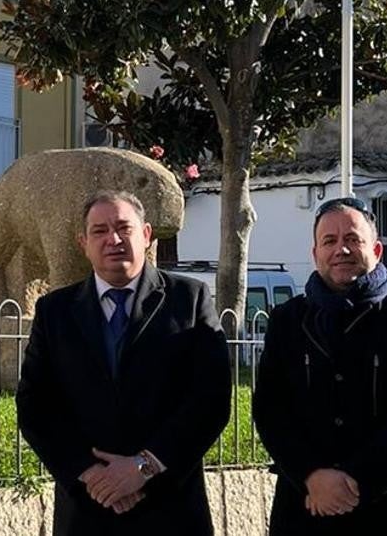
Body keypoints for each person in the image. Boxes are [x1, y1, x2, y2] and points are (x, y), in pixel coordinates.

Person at [16, 190, 231, 536]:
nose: (113, 239)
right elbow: (34, 404)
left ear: (146, 235)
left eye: (123, 228)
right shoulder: (55, 311)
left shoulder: (188, 300)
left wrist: (143, 466)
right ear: (83, 242)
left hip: (170, 507)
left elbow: (210, 399)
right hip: (87, 508)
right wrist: (91, 474)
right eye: (99, 231)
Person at [253, 197, 387, 535]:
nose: (341, 250)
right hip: (306, 507)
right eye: (329, 241)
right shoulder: (288, 321)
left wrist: (355, 483)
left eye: (352, 239)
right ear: (315, 254)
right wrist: (312, 476)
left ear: (375, 249)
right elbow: (271, 410)